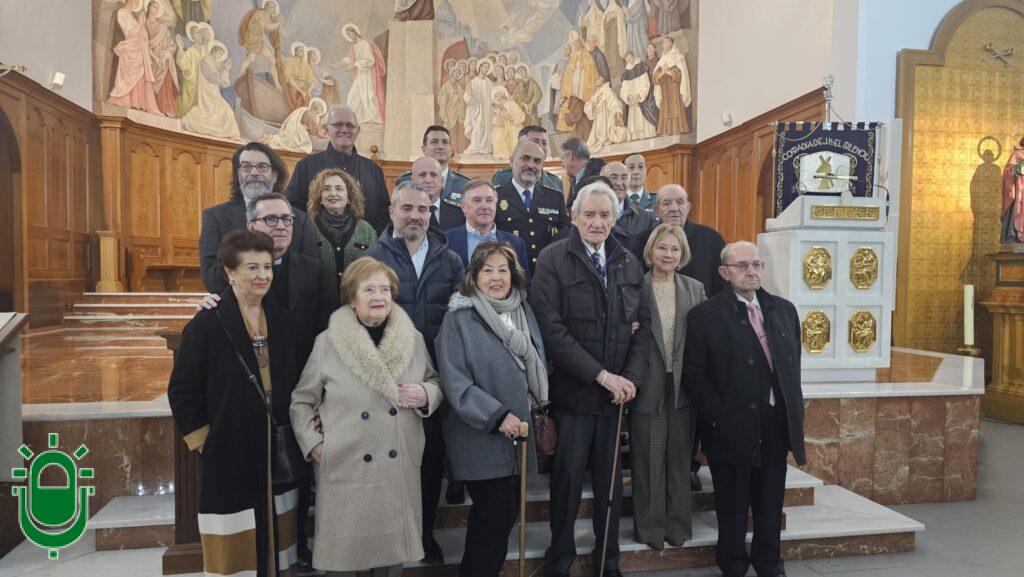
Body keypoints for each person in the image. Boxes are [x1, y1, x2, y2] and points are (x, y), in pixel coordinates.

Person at [291, 257, 444, 577]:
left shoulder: (412, 339)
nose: (379, 297)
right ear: (351, 298)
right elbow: (301, 402)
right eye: (369, 289)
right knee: (345, 565)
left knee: (390, 565)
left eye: (385, 289)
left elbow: (436, 382)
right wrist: (316, 445)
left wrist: (426, 394)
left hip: (396, 466)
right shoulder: (327, 343)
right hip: (346, 469)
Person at [531, 181, 651, 577]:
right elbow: (552, 332)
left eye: (604, 215)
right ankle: (559, 562)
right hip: (574, 396)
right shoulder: (552, 260)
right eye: (589, 215)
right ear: (574, 217)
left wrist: (629, 379)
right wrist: (602, 376)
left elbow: (642, 327)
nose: (597, 222)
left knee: (611, 488)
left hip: (616, 400)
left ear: (615, 218)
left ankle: (607, 564)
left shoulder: (628, 262)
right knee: (565, 485)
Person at [168, 230, 299, 577]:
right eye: (252, 268)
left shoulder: (283, 320)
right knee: (235, 549)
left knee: (277, 536)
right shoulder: (207, 324)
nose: (263, 276)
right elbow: (182, 390)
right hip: (229, 448)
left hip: (276, 446)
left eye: (268, 267)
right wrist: (205, 442)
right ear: (229, 272)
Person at [683, 241, 806, 577]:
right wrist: (719, 416)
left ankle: (769, 564)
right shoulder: (704, 316)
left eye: (756, 264)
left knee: (769, 502)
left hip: (774, 423)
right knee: (733, 506)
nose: (751, 271)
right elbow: (694, 375)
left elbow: (792, 365)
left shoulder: (784, 310)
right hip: (730, 425)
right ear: (725, 273)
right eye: (742, 266)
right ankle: (734, 565)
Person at [363, 181, 465, 565]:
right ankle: (391, 534)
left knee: (431, 457)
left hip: (434, 378)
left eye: (422, 210)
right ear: (392, 212)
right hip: (388, 377)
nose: (415, 217)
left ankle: (424, 532)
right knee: (391, 458)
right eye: (407, 209)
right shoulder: (373, 257)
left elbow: (460, 316)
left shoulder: (449, 259)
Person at [435, 241, 549, 577]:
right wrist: (497, 416)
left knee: (505, 514)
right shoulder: (459, 318)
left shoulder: (523, 311)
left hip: (519, 434)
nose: (496, 277)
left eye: (503, 270)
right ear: (473, 275)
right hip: (480, 435)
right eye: (487, 270)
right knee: (494, 512)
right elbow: (455, 383)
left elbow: (536, 358)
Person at [631, 223, 706, 550]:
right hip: (647, 382)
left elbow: (704, 340)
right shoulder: (636, 286)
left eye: (675, 249)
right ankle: (650, 530)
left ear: (682, 254)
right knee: (648, 460)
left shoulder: (695, 289)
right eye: (663, 247)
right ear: (651, 250)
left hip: (682, 386)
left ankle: (677, 526)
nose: (668, 254)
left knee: (678, 459)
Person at [200, 142, 318, 295]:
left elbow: (310, 272)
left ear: (274, 175)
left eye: (262, 167)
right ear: (238, 174)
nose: (254, 173)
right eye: (246, 167)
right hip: (238, 310)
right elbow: (211, 275)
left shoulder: (301, 219)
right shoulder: (215, 217)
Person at [286, 106, 390, 234]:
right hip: (315, 250)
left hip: (366, 250)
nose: (344, 130)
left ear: (358, 130)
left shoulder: (374, 171)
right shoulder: (306, 166)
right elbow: (293, 209)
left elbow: (384, 214)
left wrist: (372, 244)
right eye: (338, 124)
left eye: (350, 125)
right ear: (326, 129)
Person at [306, 168, 378, 310]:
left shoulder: (366, 230)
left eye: (339, 189)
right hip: (317, 313)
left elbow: (374, 272)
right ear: (319, 197)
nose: (333, 194)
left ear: (349, 197)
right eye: (326, 189)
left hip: (357, 312)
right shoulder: (307, 228)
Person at [496, 141, 570, 267]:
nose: (531, 165)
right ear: (512, 160)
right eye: (525, 158)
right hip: (510, 275)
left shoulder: (554, 198)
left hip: (545, 275)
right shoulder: (496, 197)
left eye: (537, 161)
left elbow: (565, 236)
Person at [445, 180, 530, 279]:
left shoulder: (516, 244)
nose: (485, 206)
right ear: (463, 206)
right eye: (477, 200)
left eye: (489, 200)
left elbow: (523, 286)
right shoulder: (446, 242)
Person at [396, 126, 471, 203]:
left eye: (445, 142)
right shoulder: (405, 181)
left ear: (450, 150)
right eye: (434, 142)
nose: (440, 147)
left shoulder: (465, 184)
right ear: (424, 149)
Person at [492, 125, 563, 193]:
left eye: (544, 143)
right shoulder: (503, 177)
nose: (541, 146)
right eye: (535, 142)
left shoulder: (555, 182)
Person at [602, 161, 657, 238]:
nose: (619, 183)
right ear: (602, 181)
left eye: (624, 178)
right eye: (613, 177)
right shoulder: (594, 214)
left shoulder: (644, 218)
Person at [652, 36, 692, 135]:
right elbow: (655, 74)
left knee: (675, 106)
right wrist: (661, 74)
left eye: (666, 42)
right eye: (663, 43)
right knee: (665, 108)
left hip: (674, 87)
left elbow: (681, 72)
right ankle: (667, 130)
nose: (664, 45)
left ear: (671, 43)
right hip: (665, 88)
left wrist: (669, 72)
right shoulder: (663, 58)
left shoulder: (677, 56)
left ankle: (679, 128)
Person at [560, 137, 606, 208]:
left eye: (562, 158)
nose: (562, 164)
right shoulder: (574, 179)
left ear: (569, 156)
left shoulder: (599, 177)